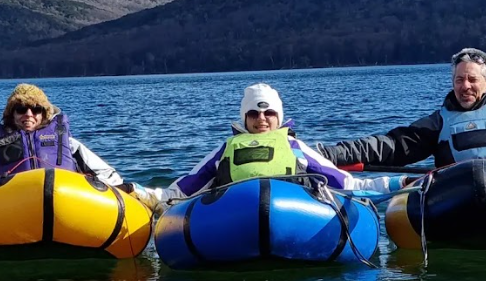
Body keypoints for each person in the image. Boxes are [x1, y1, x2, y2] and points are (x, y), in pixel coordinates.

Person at [129, 83, 407, 211]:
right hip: (233, 218)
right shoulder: (227, 149)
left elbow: (348, 184)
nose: (261, 119)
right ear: (244, 118)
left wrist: (397, 183)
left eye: (268, 113)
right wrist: (146, 195)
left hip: (294, 214)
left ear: (279, 117)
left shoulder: (294, 146)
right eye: (253, 114)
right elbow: (183, 189)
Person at [316, 48, 486, 182]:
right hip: (458, 197)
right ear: (452, 82)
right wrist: (328, 154)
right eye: (459, 79)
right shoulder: (439, 122)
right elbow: (391, 147)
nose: (465, 86)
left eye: (472, 80)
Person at [0, 83, 126, 188]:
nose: (28, 114)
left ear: (44, 114)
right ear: (11, 114)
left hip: (65, 204)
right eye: (21, 109)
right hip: (12, 208)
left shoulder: (69, 144)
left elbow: (109, 176)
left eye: (36, 109)